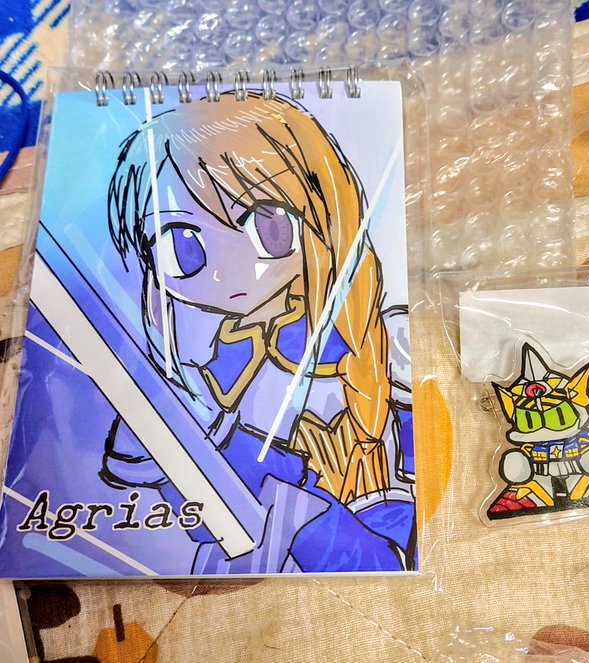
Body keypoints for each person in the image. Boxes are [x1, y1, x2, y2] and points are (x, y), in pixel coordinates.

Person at [103, 90, 416, 573]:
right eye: (180, 245)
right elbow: (209, 502)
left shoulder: (386, 345)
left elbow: (409, 508)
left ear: (326, 211)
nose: (228, 270)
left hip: (377, 535)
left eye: (267, 226)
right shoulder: (220, 362)